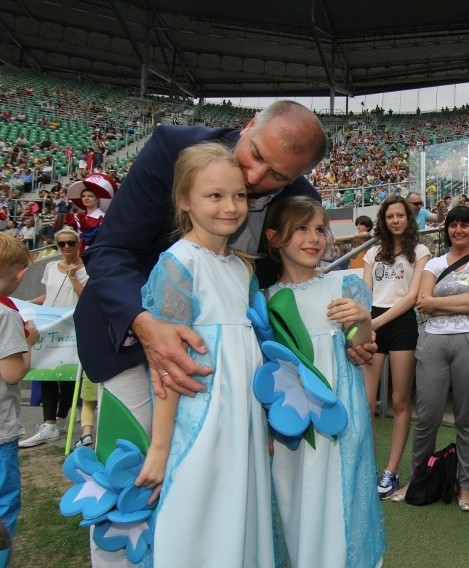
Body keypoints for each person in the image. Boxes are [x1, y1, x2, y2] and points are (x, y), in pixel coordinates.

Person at [75, 101, 374, 567]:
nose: (254, 178)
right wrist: (147, 325)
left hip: (229, 380)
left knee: (224, 492)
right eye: (255, 154)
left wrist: (353, 330)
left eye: (276, 175)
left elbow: (289, 289)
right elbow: (111, 251)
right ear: (250, 124)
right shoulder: (174, 148)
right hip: (132, 345)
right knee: (131, 478)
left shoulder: (296, 196)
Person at [130, 142, 274, 566]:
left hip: (242, 420)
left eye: (239, 196)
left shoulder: (242, 268)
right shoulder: (177, 265)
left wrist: (263, 421)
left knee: (239, 517)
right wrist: (159, 448)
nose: (230, 207)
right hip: (202, 420)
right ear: (184, 201)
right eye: (214, 196)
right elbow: (168, 367)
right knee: (198, 520)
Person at [264, 195, 385, 568]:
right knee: (295, 498)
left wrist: (363, 320)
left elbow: (360, 347)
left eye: (319, 229)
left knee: (343, 497)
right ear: (274, 237)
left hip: (342, 418)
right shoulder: (265, 300)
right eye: (300, 228)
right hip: (291, 426)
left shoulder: (344, 285)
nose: (313, 238)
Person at [393, 206, 469, 511]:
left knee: (467, 418)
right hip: (434, 340)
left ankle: (465, 486)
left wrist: (440, 303)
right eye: (453, 225)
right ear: (447, 229)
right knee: (427, 417)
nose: (459, 230)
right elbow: (423, 304)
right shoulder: (435, 264)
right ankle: (417, 479)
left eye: (465, 225)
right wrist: (462, 304)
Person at [362, 196, 431, 499]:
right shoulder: (373, 252)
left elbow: (413, 295)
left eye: (400, 215)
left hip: (401, 324)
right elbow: (365, 292)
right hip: (372, 322)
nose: (395, 220)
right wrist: (369, 324)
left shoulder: (421, 251)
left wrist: (377, 323)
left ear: (408, 218)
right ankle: (367, 467)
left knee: (400, 401)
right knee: (366, 402)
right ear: (383, 219)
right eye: (390, 216)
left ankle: (391, 471)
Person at [19, 228, 88, 449]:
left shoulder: (87, 268)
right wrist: (27, 304)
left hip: (72, 328)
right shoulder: (50, 267)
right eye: (62, 244)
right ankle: (49, 422)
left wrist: (73, 276)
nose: (67, 247)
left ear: (78, 244)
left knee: (67, 375)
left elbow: (85, 297)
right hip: (49, 326)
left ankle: (59, 416)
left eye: (71, 243)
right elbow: (49, 295)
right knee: (47, 373)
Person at [0, 233, 40, 541]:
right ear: (19, 274)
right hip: (1, 432)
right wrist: (27, 343)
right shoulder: (6, 315)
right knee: (3, 505)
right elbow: (12, 373)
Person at [64, 173, 117, 251]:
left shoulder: (103, 218)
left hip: (94, 255)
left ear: (98, 200)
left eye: (90, 196)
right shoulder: (76, 217)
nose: (86, 198)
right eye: (83, 196)